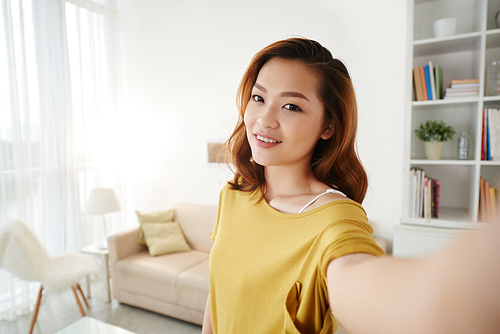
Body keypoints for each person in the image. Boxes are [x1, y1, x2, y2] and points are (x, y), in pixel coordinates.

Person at [201, 38, 500, 334]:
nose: (264, 120)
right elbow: (217, 295)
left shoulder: (335, 218)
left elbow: (373, 288)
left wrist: (463, 290)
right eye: (259, 98)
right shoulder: (235, 192)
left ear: (328, 126)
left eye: (291, 106)